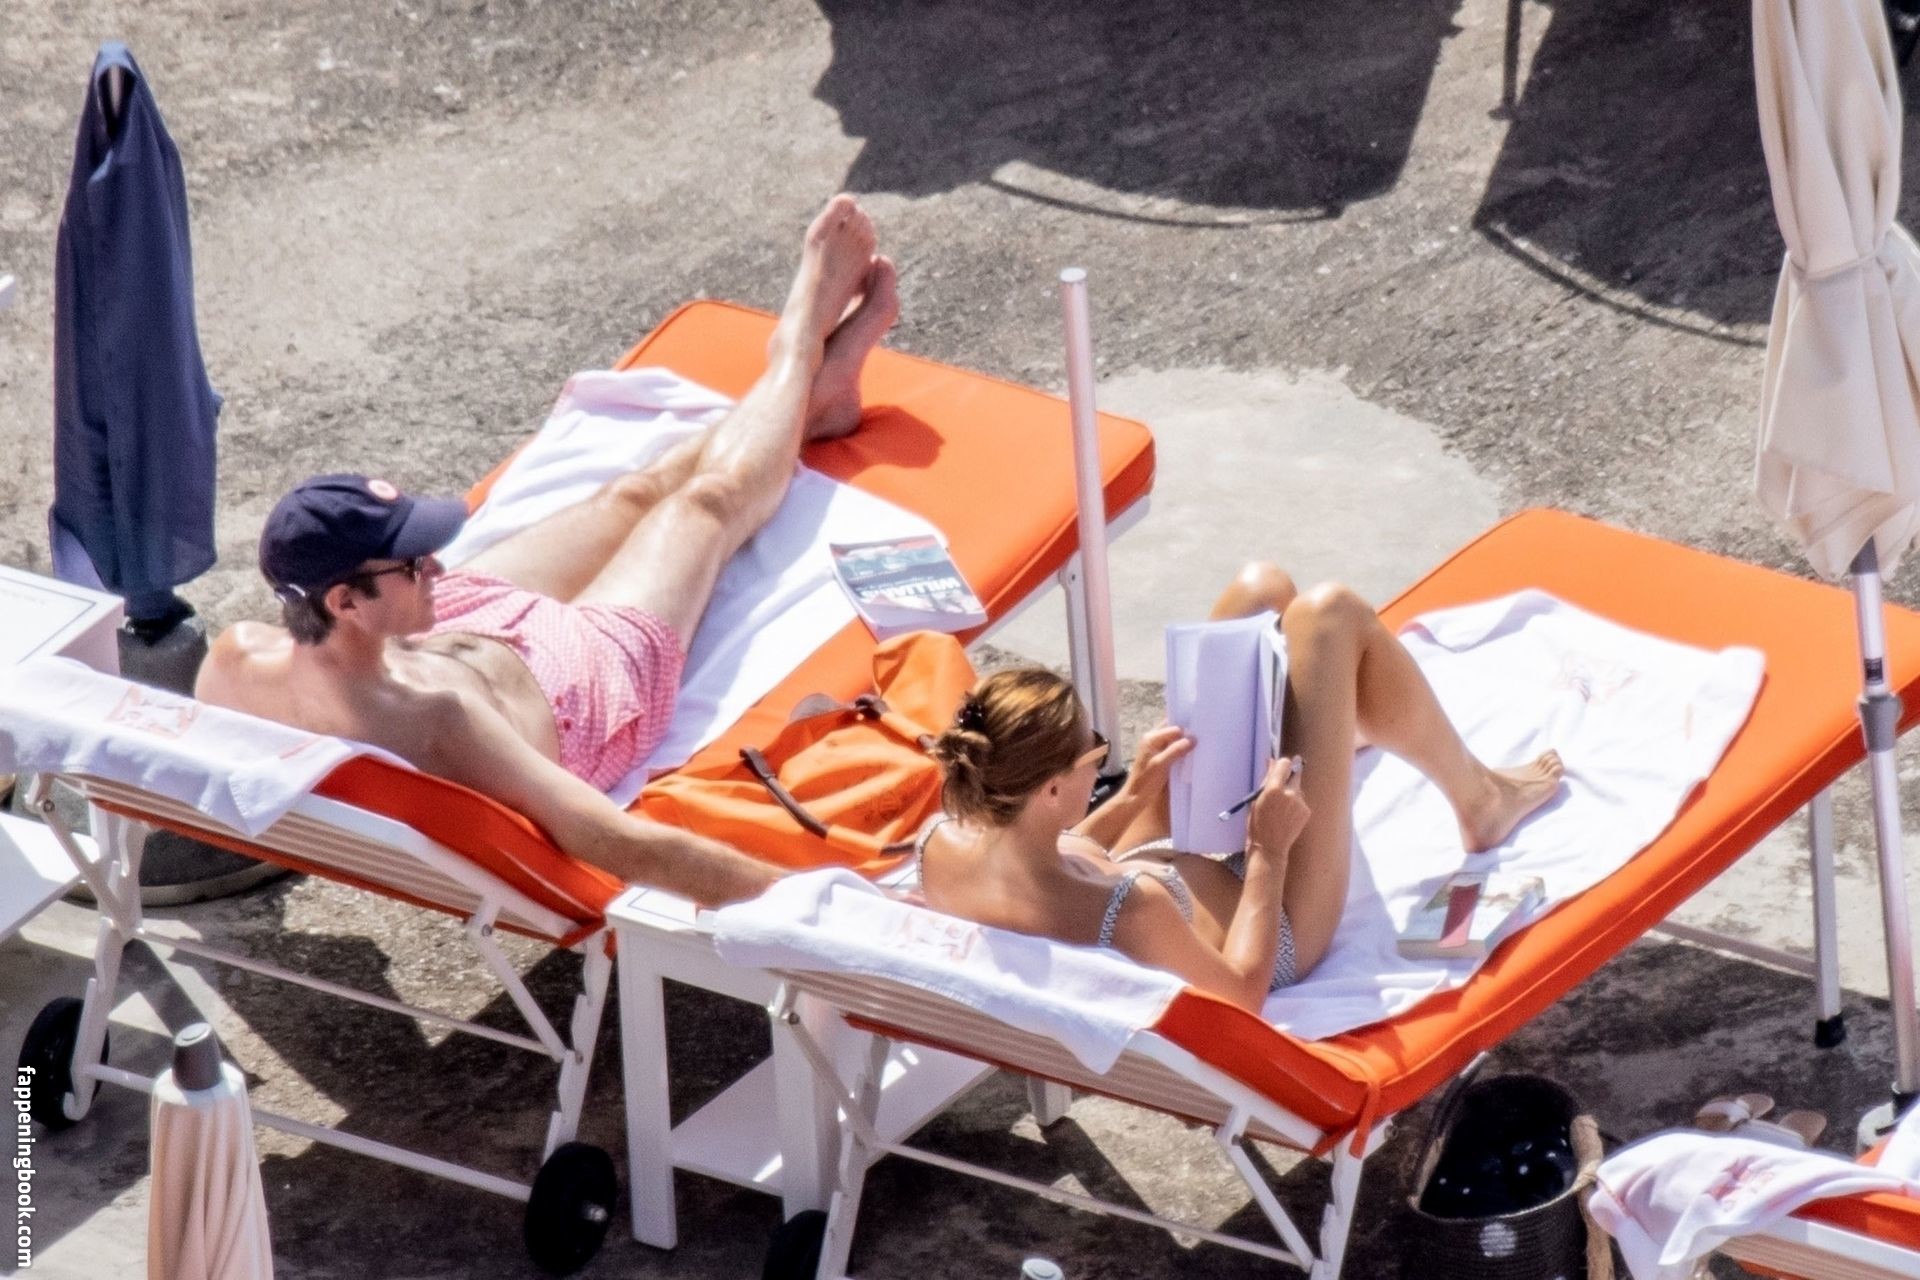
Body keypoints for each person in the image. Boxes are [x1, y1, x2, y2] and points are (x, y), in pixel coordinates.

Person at [196, 195, 899, 906]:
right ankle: (798, 347)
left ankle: (811, 405)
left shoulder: (236, 661)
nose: (434, 564)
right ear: (345, 601)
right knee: (703, 505)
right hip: (581, 695)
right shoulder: (442, 722)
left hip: (452, 634)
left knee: (632, 494)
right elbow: (618, 842)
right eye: (410, 564)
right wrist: (835, 915)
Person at [919, 562, 1564, 1012]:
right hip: (1274, 921)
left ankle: (1335, 724)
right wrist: (1268, 851)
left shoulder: (945, 849)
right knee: (1329, 613)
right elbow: (1242, 994)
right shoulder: (1134, 910)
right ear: (1052, 791)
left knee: (1260, 591)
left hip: (1158, 856)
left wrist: (1134, 794)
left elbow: (1058, 854)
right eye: (1096, 750)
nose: (1102, 758)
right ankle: (1479, 799)